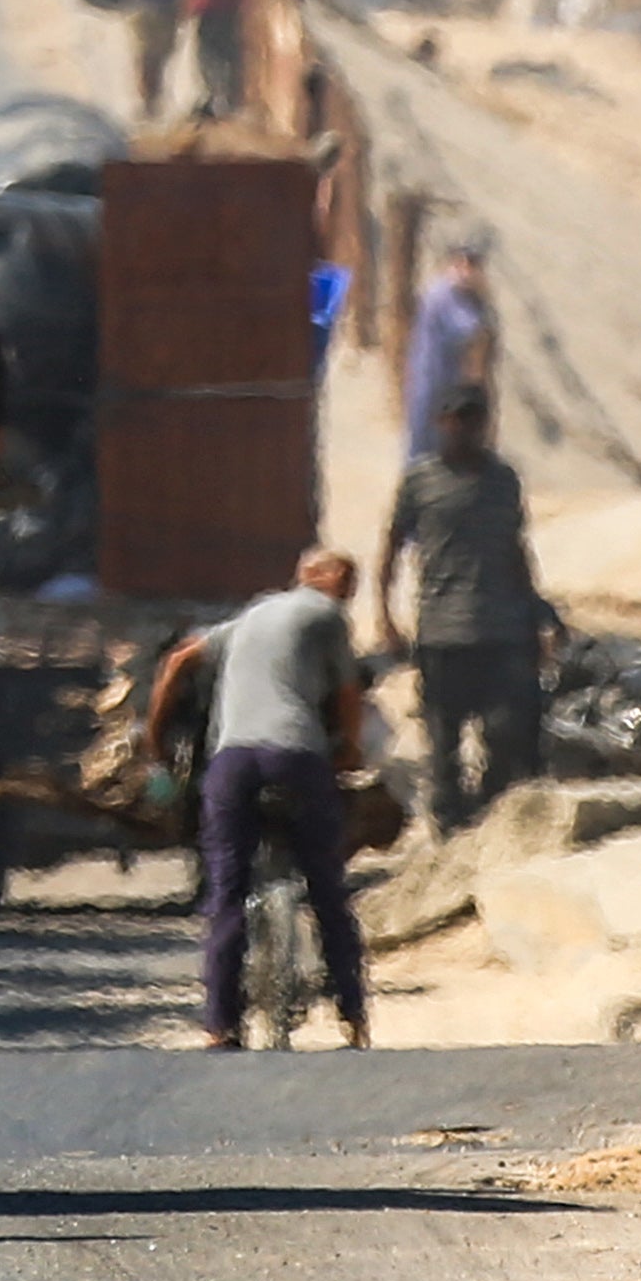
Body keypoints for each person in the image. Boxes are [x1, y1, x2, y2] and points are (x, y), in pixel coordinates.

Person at [192, 549, 375, 1046]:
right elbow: (347, 692)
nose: (350, 589)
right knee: (326, 888)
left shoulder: (251, 614)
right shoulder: (325, 614)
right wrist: (351, 749)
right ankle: (353, 1017)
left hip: (232, 762)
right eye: (346, 577)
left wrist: (156, 739)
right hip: (295, 756)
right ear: (319, 579)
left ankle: (217, 1025)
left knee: (227, 891)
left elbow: (178, 661)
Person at [381, 383, 551, 831]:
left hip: (503, 629)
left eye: (474, 418)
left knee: (507, 733)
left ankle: (490, 818)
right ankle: (449, 828)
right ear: (441, 422)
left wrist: (537, 615)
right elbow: (391, 547)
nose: (466, 427)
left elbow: (516, 551)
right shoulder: (420, 480)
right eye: (457, 417)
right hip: (442, 631)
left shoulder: (502, 479)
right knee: (443, 742)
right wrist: (385, 617)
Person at [403, 239, 500, 463]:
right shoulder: (442, 294)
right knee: (428, 445)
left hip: (447, 382)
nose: (467, 273)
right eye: (463, 265)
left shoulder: (466, 297)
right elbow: (472, 332)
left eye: (473, 267)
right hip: (434, 382)